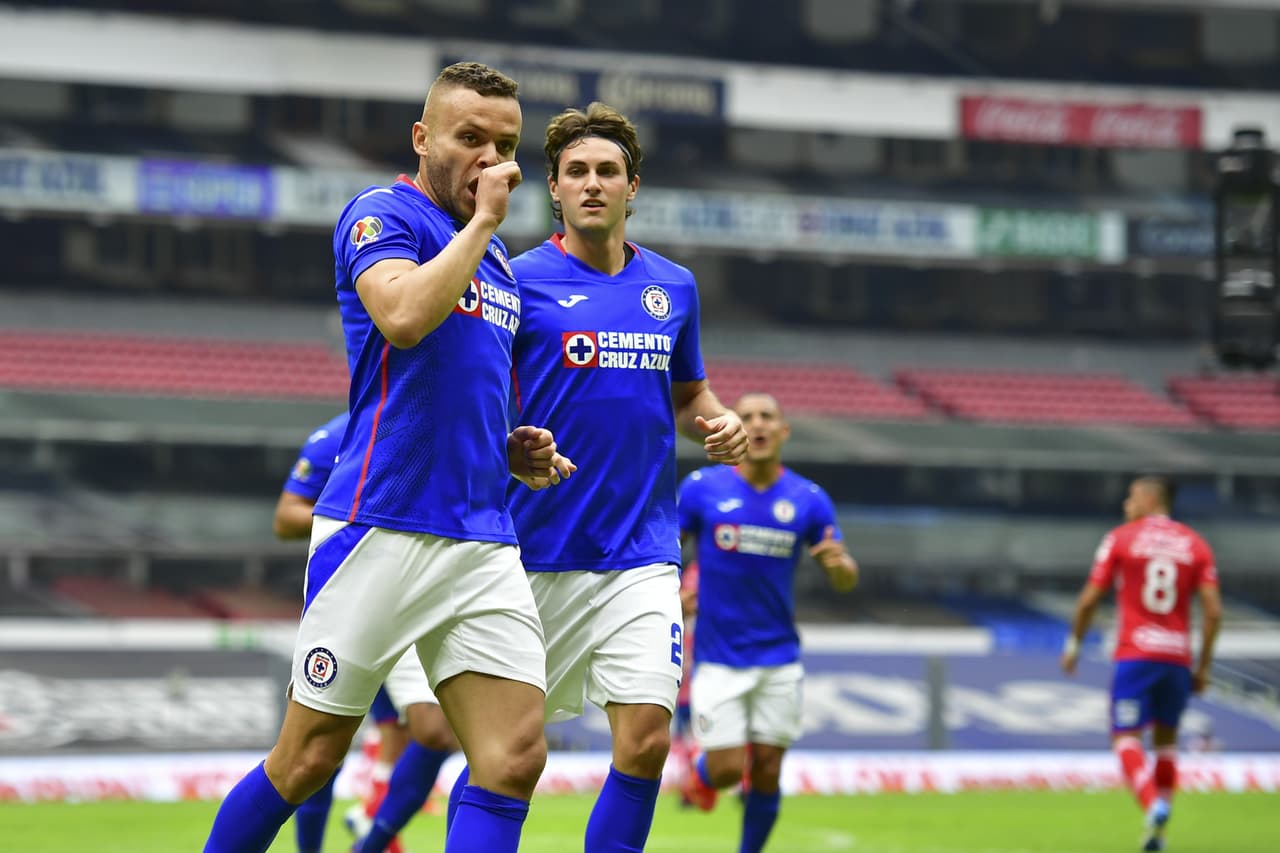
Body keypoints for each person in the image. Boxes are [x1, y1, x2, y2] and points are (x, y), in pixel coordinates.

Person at [203, 61, 575, 853]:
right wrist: (480, 225)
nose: (488, 157)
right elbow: (403, 317)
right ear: (422, 138)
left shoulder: (500, 266)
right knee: (306, 759)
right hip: (381, 523)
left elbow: (460, 387)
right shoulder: (382, 214)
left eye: (504, 144)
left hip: (481, 534)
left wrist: (512, 448)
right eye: (468, 137)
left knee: (511, 757)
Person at [446, 100, 748, 852]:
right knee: (504, 756)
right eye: (576, 171)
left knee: (645, 742)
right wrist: (508, 445)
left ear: (632, 186)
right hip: (530, 555)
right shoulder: (515, 280)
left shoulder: (674, 287)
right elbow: (469, 398)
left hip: (642, 554)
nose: (591, 183)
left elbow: (687, 394)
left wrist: (720, 418)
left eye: (606, 171)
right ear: (554, 188)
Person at [676, 391, 857, 852]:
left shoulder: (810, 500)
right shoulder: (701, 487)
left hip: (779, 655)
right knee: (724, 771)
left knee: (769, 770)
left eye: (767, 417)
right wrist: (675, 591)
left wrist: (839, 568)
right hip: (718, 655)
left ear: (783, 431)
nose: (757, 424)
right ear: (735, 427)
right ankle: (699, 778)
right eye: (748, 416)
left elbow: (845, 578)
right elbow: (666, 549)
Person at [272, 413, 443, 853]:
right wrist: (360, 523)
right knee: (320, 750)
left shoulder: (437, 425)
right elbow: (286, 518)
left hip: (415, 597)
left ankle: (369, 840)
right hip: (348, 599)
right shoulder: (335, 434)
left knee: (434, 733)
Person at [1061, 475, 1221, 853]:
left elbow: (1087, 601)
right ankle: (1158, 835)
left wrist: (1074, 645)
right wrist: (1203, 667)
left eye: (1131, 497)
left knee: (1125, 738)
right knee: (1167, 744)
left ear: (1150, 498)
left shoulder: (1121, 538)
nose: (1126, 505)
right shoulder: (1195, 544)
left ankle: (1154, 806)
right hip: (1177, 658)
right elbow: (1213, 611)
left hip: (1135, 655)